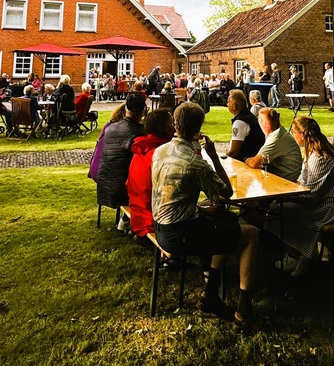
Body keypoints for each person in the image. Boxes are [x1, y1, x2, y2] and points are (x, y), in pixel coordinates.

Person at [152, 102, 260, 331]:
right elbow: (226, 193)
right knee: (250, 234)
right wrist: (213, 155)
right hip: (180, 234)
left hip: (160, 226)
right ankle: (243, 312)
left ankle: (210, 294)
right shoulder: (196, 163)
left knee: (224, 220)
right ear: (198, 129)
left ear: (175, 124)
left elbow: (170, 197)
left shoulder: (159, 151)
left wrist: (201, 209)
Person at [267, 115, 334, 278]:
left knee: (279, 210)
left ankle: (301, 256)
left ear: (302, 135)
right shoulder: (312, 152)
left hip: (326, 208)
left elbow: (311, 196)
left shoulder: (320, 157)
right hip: (317, 203)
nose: (293, 135)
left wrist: (288, 196)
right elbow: (302, 180)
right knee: (276, 208)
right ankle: (296, 254)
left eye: (294, 132)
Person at [95, 93, 147, 228]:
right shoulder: (141, 132)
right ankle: (129, 221)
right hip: (122, 188)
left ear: (126, 109)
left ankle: (125, 219)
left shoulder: (110, 128)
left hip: (104, 182)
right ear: (143, 111)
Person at [125, 107, 175, 240]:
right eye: (171, 122)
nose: (174, 126)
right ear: (162, 128)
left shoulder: (143, 146)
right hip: (150, 215)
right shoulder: (160, 152)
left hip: (137, 207)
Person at [245, 107, 303, 182]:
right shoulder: (280, 132)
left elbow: (254, 163)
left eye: (265, 123)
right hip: (285, 178)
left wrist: (245, 159)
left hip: (287, 183)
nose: (263, 125)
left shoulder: (276, 137)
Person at [226, 89, 266, 162]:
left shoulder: (239, 122)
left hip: (246, 161)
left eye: (228, 102)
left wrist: (225, 155)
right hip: (256, 157)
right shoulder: (249, 117)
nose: (227, 104)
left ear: (234, 106)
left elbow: (234, 152)